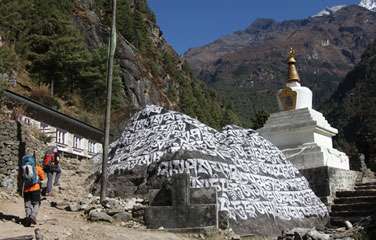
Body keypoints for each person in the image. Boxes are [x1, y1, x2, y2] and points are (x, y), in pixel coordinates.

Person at [20, 154, 45, 227]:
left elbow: (21, 178)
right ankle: (33, 216)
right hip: (35, 188)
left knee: (28, 204)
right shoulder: (37, 168)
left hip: (26, 190)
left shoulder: (22, 168)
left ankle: (28, 217)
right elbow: (42, 178)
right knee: (36, 203)